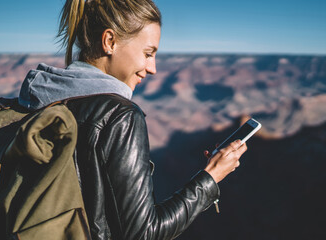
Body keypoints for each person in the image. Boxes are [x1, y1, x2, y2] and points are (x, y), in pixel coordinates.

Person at [17, 0, 247, 239]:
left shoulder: (35, 99)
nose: (153, 68)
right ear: (110, 42)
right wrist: (211, 177)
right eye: (148, 54)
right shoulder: (119, 117)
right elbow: (144, 233)